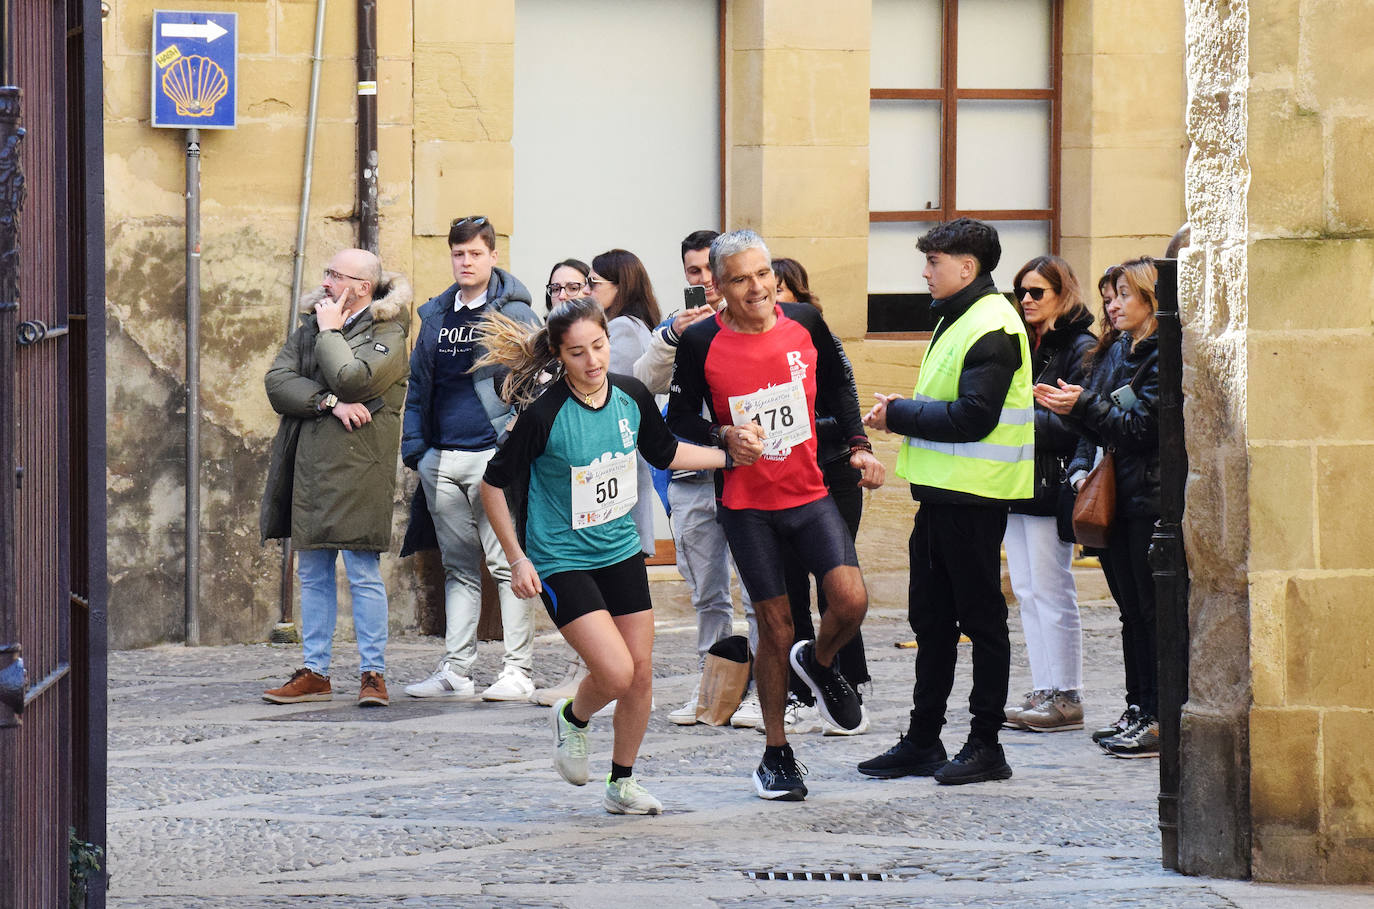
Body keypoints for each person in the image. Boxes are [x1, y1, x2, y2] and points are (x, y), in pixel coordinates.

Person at [476, 297, 735, 815]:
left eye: (599, 346)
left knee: (640, 673)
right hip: (560, 557)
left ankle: (623, 782)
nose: (593, 360)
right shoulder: (544, 414)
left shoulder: (631, 395)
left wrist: (730, 458)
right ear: (559, 355)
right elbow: (492, 485)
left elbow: (664, 452)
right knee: (614, 672)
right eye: (577, 353)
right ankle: (573, 717)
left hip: (618, 549)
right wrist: (518, 558)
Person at [668, 229, 884, 800]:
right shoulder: (702, 342)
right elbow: (679, 416)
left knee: (852, 601)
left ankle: (819, 660)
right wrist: (724, 435)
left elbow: (838, 385)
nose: (757, 287)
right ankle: (776, 752)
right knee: (774, 625)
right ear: (717, 285)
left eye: (762, 273)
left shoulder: (806, 323)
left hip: (810, 492)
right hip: (746, 505)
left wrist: (858, 444)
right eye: (740, 278)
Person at [857, 218, 1033, 786]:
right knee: (931, 621)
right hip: (941, 496)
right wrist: (906, 411)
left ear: (968, 267)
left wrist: (898, 413)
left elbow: (974, 418)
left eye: (934, 263)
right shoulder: (959, 316)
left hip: (975, 499)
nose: (925, 272)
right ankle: (923, 739)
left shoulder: (992, 325)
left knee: (982, 622)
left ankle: (986, 744)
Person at [398, 215, 542, 703]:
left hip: (492, 458)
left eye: (475, 253)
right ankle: (457, 670)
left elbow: (535, 384)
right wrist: (418, 451)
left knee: (508, 564)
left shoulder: (514, 312)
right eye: (458, 254)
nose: (466, 261)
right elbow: (419, 386)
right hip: (442, 458)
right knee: (457, 567)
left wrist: (512, 446)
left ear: (493, 256)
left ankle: (518, 670)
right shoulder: (438, 313)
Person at [260, 248, 411, 708]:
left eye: (336, 275)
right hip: (311, 466)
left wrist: (330, 334)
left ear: (362, 287)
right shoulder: (312, 324)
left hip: (362, 466)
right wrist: (329, 404)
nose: (326, 282)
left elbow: (353, 377)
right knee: (313, 571)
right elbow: (277, 381)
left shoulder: (388, 330)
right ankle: (315, 671)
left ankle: (373, 674)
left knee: (363, 572)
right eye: (326, 272)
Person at [632, 229, 760, 729]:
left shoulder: (755, 322)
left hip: (747, 473)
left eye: (710, 270)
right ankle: (714, 688)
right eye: (693, 272)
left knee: (757, 590)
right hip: (691, 477)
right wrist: (672, 336)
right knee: (706, 592)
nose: (704, 281)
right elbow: (643, 383)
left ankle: (757, 689)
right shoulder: (676, 326)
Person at [1036, 256, 1162, 759]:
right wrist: (1077, 433)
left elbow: (1141, 429)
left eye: (1123, 295)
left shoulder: (1159, 354)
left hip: (1148, 500)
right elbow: (1100, 425)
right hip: (1114, 499)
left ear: (1151, 298)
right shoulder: (1114, 353)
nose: (1112, 305)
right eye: (1108, 296)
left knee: (1151, 612)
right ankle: (1137, 707)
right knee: (1130, 612)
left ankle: (1157, 717)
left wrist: (1082, 407)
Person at [770, 257, 872, 736]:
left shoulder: (816, 336)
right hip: (781, 481)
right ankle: (799, 688)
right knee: (788, 588)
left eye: (778, 291)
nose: (769, 301)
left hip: (831, 472)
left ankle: (848, 678)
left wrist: (802, 426)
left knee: (839, 582)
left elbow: (845, 402)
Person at [1001, 256, 1095, 733]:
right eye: (1022, 292)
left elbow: (1077, 424)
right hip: (1017, 481)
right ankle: (1043, 688)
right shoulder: (1025, 344)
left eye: (1037, 292)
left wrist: (1014, 420)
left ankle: (1067, 693)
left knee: (1052, 587)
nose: (1028, 300)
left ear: (1064, 293)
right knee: (1026, 589)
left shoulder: (1081, 347)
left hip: (1051, 481)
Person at [588, 249, 663, 559]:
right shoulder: (635, 325)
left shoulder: (621, 329)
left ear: (620, 286)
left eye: (593, 283)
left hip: (616, 462)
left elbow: (606, 396)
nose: (588, 290)